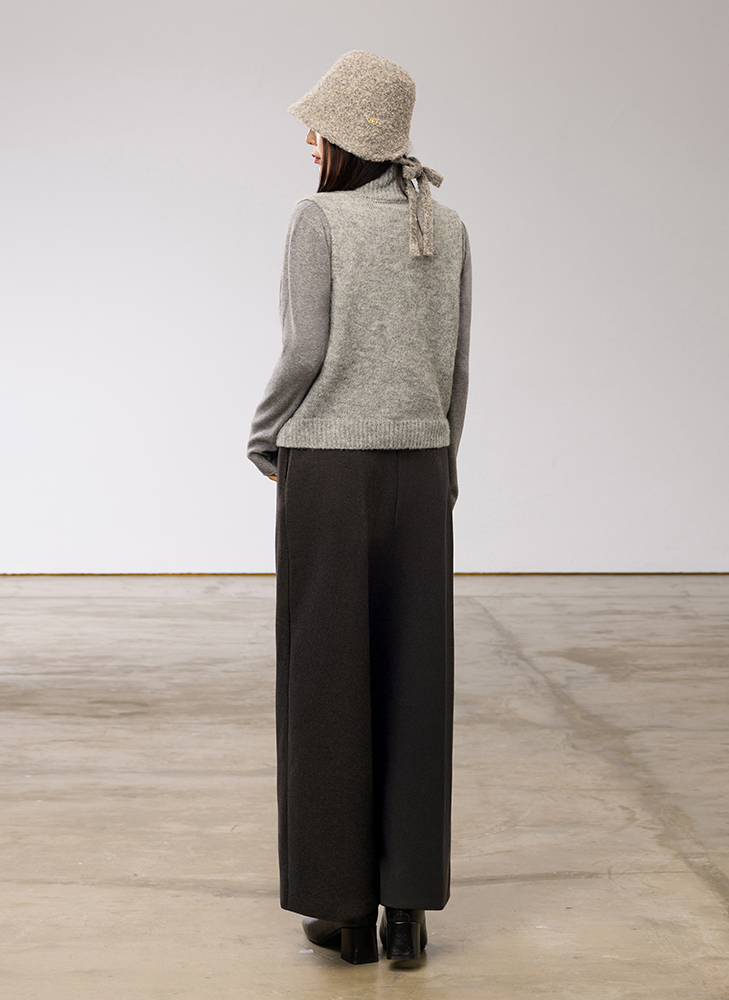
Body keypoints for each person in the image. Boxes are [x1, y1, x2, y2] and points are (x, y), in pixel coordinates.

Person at [246, 50, 472, 965]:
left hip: (330, 476)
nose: (309, 141)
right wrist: (442, 463)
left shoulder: (319, 221)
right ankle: (407, 909)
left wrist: (264, 435)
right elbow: (456, 368)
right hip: (421, 471)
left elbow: (305, 351)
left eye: (319, 127)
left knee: (326, 683)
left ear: (348, 138)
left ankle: (342, 913)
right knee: (417, 682)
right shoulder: (447, 224)